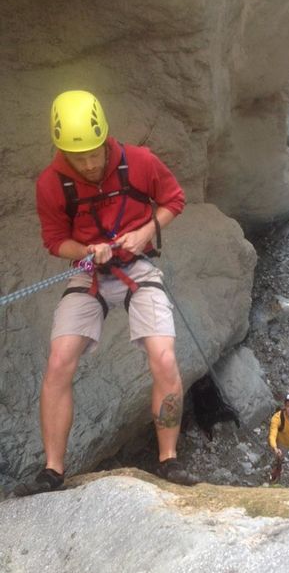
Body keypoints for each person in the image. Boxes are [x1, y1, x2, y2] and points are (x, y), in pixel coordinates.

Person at [15, 90, 197, 495]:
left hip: (138, 266)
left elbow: (174, 200)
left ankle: (169, 459)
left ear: (105, 138)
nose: (89, 164)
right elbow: (55, 241)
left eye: (94, 153)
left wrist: (145, 232)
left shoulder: (140, 161)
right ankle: (52, 470)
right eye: (78, 157)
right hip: (89, 275)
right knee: (59, 360)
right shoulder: (51, 183)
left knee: (164, 356)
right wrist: (85, 251)